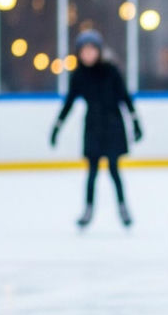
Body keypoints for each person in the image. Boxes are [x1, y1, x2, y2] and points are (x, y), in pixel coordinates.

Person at [49, 29, 143, 228]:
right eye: (84, 51)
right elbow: (69, 103)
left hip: (113, 125)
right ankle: (88, 210)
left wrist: (135, 122)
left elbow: (125, 98)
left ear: (99, 51)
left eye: (92, 50)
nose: (88, 54)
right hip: (93, 126)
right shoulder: (79, 76)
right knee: (91, 172)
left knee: (113, 170)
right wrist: (57, 126)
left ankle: (123, 207)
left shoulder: (111, 71)